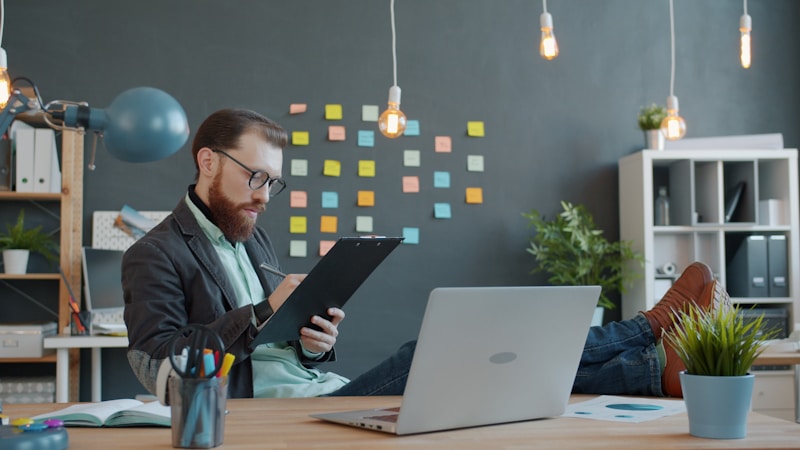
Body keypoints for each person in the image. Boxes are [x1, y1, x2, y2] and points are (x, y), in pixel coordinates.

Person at [122, 108, 726, 400]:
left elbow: (277, 347)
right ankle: (647, 328)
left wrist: (313, 339)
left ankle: (650, 370)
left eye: (272, 183)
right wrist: (260, 313)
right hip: (264, 414)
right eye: (255, 177)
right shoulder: (155, 254)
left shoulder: (251, 235)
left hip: (319, 390)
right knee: (436, 354)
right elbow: (159, 364)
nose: (263, 196)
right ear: (207, 162)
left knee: (476, 373)